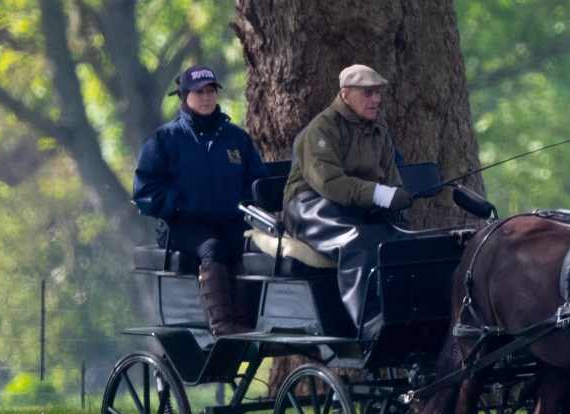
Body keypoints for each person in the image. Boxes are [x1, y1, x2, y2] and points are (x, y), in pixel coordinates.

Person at [133, 65, 267, 338]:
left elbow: (256, 182)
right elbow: (145, 189)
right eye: (199, 92)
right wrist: (178, 205)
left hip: (228, 219)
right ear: (184, 97)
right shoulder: (163, 139)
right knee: (212, 248)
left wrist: (244, 203)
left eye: (210, 91)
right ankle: (223, 326)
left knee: (250, 247)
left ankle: (245, 324)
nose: (206, 97)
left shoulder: (236, 138)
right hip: (183, 225)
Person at [282, 64, 412, 334]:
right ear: (345, 95)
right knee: (356, 241)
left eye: (377, 93)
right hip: (309, 204)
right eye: (367, 93)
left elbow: (391, 179)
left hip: (355, 207)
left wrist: (397, 200)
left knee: (405, 240)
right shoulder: (321, 128)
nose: (375, 99)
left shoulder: (379, 132)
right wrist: (379, 194)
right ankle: (371, 322)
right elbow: (330, 184)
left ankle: (409, 312)